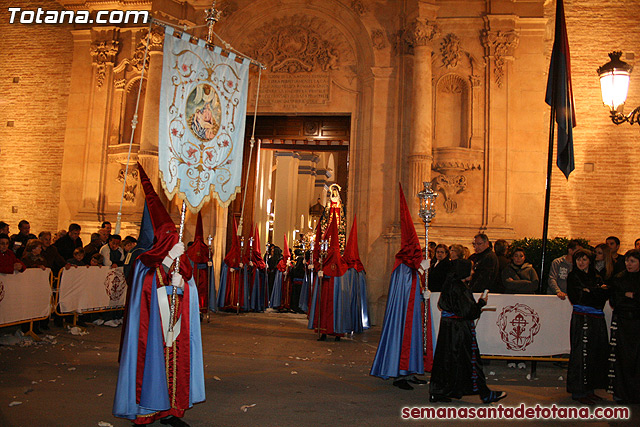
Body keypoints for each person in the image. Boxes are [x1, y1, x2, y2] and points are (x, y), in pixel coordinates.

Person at [113, 163, 204, 426]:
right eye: (171, 237)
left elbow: (189, 287)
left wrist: (182, 281)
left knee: (175, 365)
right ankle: (147, 410)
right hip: (153, 329)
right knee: (151, 364)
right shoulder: (144, 262)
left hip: (175, 330)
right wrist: (163, 270)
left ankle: (172, 411)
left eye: (176, 237)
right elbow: (142, 290)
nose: (176, 241)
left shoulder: (179, 260)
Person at [370, 184, 426, 390]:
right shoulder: (402, 267)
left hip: (413, 311)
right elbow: (404, 294)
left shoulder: (409, 267)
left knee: (414, 337)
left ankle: (410, 370)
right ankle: (400, 374)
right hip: (405, 313)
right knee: (404, 336)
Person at [429, 258, 507, 404]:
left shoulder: (449, 284)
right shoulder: (459, 287)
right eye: (470, 269)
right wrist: (481, 303)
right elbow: (469, 312)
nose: (472, 272)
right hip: (459, 330)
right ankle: (485, 394)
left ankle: (438, 391)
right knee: (471, 361)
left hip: (449, 328)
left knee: (446, 361)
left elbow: (443, 305)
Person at [566, 249, 609, 405]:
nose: (581, 262)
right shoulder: (573, 277)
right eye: (578, 259)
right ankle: (579, 391)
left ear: (589, 261)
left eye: (584, 259)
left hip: (597, 319)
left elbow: (603, 297)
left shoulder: (596, 276)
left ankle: (590, 389)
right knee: (581, 353)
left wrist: (591, 291)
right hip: (581, 319)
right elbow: (577, 297)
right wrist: (594, 292)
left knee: (595, 353)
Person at [608, 249, 640, 404]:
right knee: (622, 358)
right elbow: (616, 301)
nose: (629, 264)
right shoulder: (619, 278)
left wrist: (633, 296)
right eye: (627, 261)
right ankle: (621, 392)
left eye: (633, 261)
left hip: (638, 323)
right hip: (623, 323)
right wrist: (631, 298)